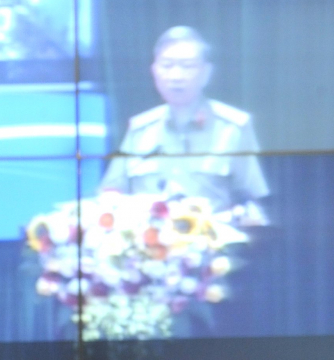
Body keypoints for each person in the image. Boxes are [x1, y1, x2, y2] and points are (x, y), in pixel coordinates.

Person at [100, 26, 269, 219]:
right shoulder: (139, 130)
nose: (176, 76)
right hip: (149, 236)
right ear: (154, 71)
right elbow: (111, 193)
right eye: (167, 65)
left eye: (187, 66)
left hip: (212, 236)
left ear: (206, 73)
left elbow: (252, 202)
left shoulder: (233, 128)